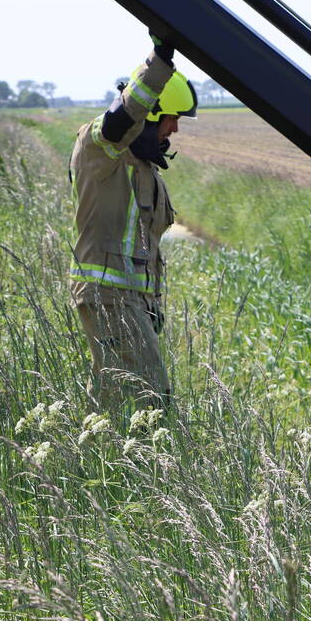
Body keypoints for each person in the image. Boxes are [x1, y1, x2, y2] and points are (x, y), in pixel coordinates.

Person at [69, 33, 197, 412]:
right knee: (151, 399)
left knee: (115, 400)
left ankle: (93, 464)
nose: (173, 130)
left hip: (130, 299)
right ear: (151, 114)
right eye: (171, 119)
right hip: (108, 295)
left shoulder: (143, 169)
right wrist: (160, 59)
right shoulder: (101, 149)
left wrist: (150, 301)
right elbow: (122, 117)